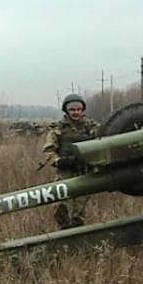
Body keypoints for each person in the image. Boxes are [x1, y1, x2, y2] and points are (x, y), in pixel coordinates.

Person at [42, 93, 100, 229]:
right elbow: (49, 151)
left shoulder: (91, 126)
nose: (76, 112)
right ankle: (64, 230)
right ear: (66, 110)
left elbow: (103, 141)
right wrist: (59, 161)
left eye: (78, 109)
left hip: (85, 171)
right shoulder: (58, 129)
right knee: (60, 206)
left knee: (79, 211)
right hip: (65, 172)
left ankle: (77, 236)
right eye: (72, 110)